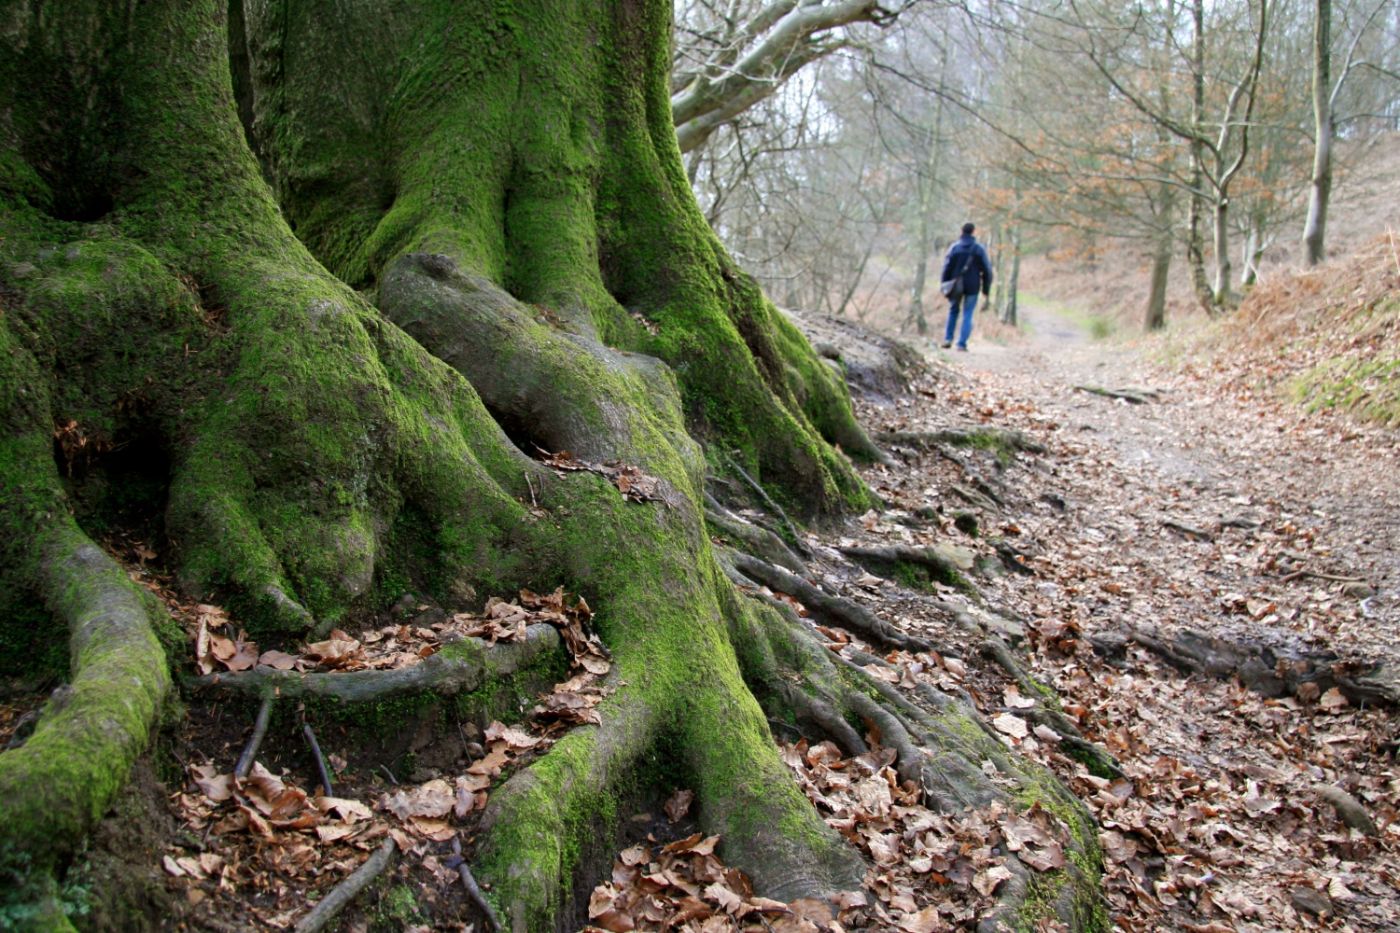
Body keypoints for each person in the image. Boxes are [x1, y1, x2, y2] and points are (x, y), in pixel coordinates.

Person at [940, 222, 993, 351]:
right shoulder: (978, 249)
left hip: (955, 285)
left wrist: (944, 284)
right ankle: (961, 344)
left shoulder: (954, 248)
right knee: (968, 313)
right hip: (973, 285)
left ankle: (948, 339)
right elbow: (987, 270)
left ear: (961, 231)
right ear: (973, 232)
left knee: (953, 311)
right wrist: (986, 289)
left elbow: (946, 267)